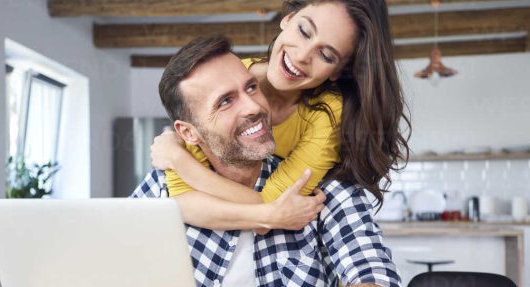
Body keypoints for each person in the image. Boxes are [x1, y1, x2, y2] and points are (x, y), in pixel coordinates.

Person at [132, 36, 402, 287]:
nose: (255, 107)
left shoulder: (325, 190)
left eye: (250, 87)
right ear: (188, 133)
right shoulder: (159, 189)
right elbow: (109, 277)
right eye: (225, 101)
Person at [151, 0, 410, 232]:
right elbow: (182, 200)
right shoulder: (226, 74)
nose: (301, 56)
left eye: (326, 55)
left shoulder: (328, 114)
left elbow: (274, 202)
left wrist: (180, 161)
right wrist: (268, 216)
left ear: (338, 72)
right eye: (304, 31)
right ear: (287, 19)